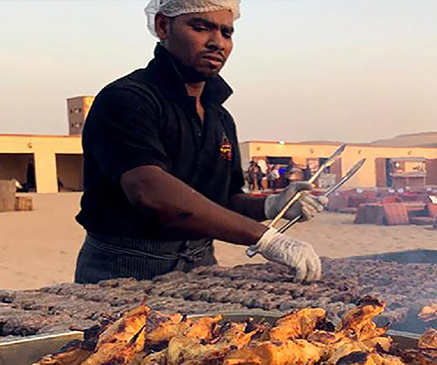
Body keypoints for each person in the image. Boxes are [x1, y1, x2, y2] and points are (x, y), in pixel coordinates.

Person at [74, 0, 326, 284]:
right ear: (162, 26)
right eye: (201, 27)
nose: (217, 42)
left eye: (226, 33)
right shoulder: (128, 99)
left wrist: (271, 205)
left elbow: (225, 199)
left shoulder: (219, 117)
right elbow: (150, 191)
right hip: (124, 267)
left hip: (201, 265)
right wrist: (266, 238)